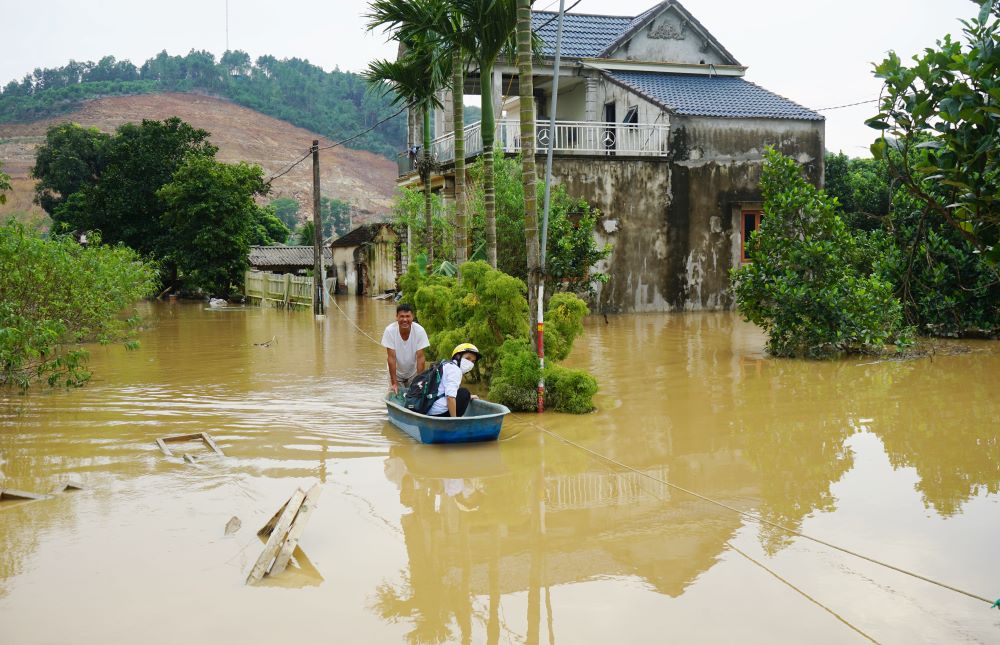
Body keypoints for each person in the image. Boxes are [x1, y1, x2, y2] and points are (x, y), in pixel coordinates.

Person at [382, 303, 430, 395]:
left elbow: (420, 358)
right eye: (402, 316)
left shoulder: (419, 331)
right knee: (396, 395)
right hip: (396, 374)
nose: (405, 320)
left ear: (412, 317)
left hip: (413, 373)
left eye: (408, 316)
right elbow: (391, 358)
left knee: (415, 396)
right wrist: (394, 383)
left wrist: (419, 382)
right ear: (396, 317)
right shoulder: (390, 331)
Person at [426, 343, 481, 418]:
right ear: (458, 356)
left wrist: (469, 397)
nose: (470, 363)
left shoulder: (444, 365)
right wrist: (454, 420)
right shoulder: (455, 370)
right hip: (439, 413)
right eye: (468, 358)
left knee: (464, 394)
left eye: (473, 361)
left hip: (429, 409)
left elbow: (442, 389)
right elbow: (450, 397)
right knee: (464, 392)